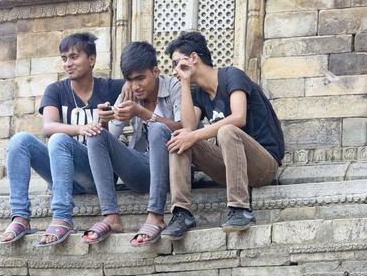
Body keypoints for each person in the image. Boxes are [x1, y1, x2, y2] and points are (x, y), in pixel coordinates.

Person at [0, 33, 126, 246]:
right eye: (64, 58)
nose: (68, 63)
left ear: (92, 60)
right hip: (62, 174)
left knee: (59, 140)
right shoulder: (56, 90)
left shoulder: (110, 87)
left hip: (97, 174)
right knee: (20, 140)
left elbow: (139, 83)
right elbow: (48, 126)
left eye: (74, 57)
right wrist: (81, 128)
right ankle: (20, 217)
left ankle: (62, 217)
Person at [162, 31, 285, 240]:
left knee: (226, 130)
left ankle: (240, 209)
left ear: (193, 58)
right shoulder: (199, 94)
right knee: (179, 138)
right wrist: (184, 83)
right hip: (230, 168)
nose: (174, 70)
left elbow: (239, 117)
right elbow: (189, 127)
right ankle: (182, 213)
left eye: (176, 63)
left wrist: (194, 135)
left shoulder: (231, 76)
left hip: (263, 166)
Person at [82, 41, 182, 246]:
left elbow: (185, 127)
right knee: (95, 133)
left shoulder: (173, 86)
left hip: (175, 170)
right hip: (141, 170)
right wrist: (103, 120)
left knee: (157, 129)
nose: (135, 86)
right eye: (130, 80)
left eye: (140, 78)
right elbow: (111, 138)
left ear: (155, 71)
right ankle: (111, 216)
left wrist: (143, 114)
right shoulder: (129, 93)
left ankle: (155, 216)